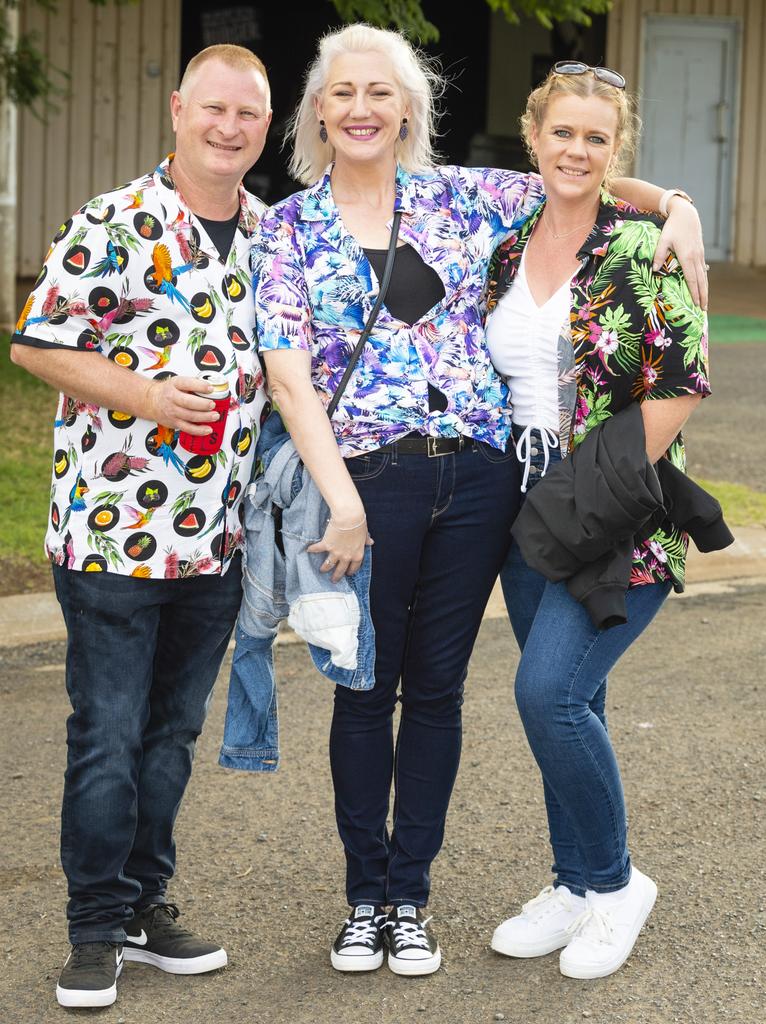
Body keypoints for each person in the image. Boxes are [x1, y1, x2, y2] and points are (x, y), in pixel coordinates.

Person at [251, 24, 706, 978]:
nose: (364, 107)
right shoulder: (287, 227)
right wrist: (339, 501)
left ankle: (423, 898)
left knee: (466, 692)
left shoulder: (459, 197)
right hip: (367, 487)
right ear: (319, 110)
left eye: (383, 91)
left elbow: (578, 177)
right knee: (368, 688)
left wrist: (677, 204)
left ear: (410, 109)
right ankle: (369, 900)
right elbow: (289, 381)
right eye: (344, 93)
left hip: (488, 486)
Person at [10, 44, 271, 1008]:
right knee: (109, 733)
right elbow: (38, 344)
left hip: (217, 539)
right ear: (177, 110)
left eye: (248, 113)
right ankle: (90, 932)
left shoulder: (273, 234)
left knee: (172, 735)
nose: (229, 127)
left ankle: (142, 907)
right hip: (114, 532)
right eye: (213, 109)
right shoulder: (114, 222)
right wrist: (150, 399)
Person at [485, 63, 711, 979]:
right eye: (563, 133)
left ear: (616, 152)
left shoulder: (643, 244)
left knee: (548, 695)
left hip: (613, 508)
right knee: (576, 705)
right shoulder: (506, 244)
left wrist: (588, 496)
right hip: (518, 506)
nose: (577, 150)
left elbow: (685, 381)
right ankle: (574, 882)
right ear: (534, 137)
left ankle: (617, 885)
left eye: (596, 138)